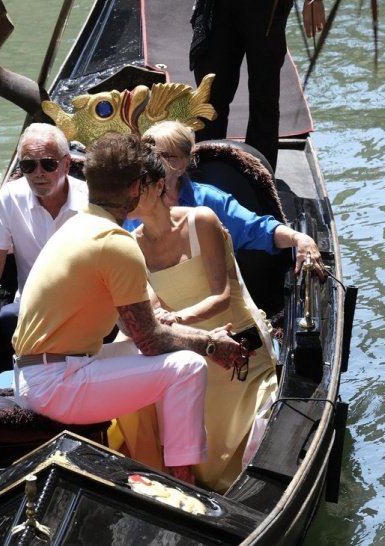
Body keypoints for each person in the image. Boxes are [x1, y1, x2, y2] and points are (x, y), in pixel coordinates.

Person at [11, 132, 247, 484]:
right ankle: (183, 486)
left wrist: (201, 335)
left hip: (37, 374)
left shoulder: (79, 225)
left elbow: (139, 331)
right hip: (56, 384)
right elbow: (152, 339)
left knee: (150, 350)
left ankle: (155, 461)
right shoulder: (117, 244)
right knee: (187, 366)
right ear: (137, 186)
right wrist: (211, 345)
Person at [117, 151, 278, 492]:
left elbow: (221, 296)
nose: (125, 195)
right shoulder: (130, 245)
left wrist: (176, 320)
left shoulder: (200, 219)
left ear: (159, 184)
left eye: (135, 186)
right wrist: (168, 321)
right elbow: (154, 307)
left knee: (260, 434)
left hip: (238, 344)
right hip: (189, 353)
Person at [0, 122, 88, 377]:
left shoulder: (90, 200)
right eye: (29, 165)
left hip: (84, 305)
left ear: (66, 164)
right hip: (31, 308)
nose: (38, 173)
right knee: (8, 317)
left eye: (48, 164)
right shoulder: (9, 197)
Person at [125, 120, 324, 278]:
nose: (155, 164)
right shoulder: (135, 204)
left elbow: (257, 229)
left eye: (165, 156)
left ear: (184, 163)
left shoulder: (209, 200)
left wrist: (299, 238)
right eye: (150, 156)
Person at [189, 0, 326, 171]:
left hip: (268, 9)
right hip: (218, 7)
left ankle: (259, 178)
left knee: (264, 96)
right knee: (210, 93)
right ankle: (205, 171)